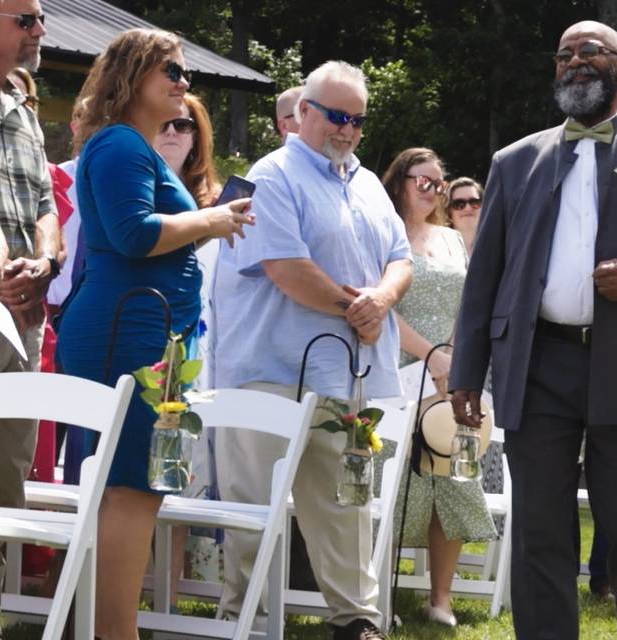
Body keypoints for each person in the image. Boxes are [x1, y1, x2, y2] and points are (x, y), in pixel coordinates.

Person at [449, 20, 617, 640]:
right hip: (536, 365)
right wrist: (467, 371)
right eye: (565, 54)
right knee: (540, 533)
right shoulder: (514, 162)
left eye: (591, 52)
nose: (576, 61)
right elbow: (484, 276)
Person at [55, 29, 253, 639]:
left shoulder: (128, 145)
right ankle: (117, 633)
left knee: (134, 486)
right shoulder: (118, 144)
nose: (183, 83)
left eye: (184, 72)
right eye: (170, 70)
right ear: (133, 75)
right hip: (126, 331)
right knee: (131, 486)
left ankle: (109, 628)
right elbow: (135, 234)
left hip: (140, 328)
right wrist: (213, 219)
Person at [213, 60, 411, 640]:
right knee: (253, 508)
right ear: (303, 113)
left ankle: (356, 622)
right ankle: (241, 619)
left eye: (358, 120)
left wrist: (383, 297)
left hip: (346, 375)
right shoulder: (269, 177)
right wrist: (361, 309)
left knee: (346, 505)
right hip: (271, 371)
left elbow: (402, 258)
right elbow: (286, 268)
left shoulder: (369, 182)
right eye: (336, 117)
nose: (347, 130)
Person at [381, 149, 497, 627]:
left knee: (451, 473)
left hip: (452, 370)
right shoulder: (383, 231)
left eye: (439, 184)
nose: (433, 191)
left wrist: (456, 361)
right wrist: (431, 355)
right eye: (423, 181)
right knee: (392, 478)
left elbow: (470, 301)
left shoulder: (452, 239)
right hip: (401, 363)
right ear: (400, 181)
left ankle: (440, 598)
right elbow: (385, 307)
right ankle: (380, 592)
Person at [0, 0, 61, 583]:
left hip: (25, 312)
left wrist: (46, 260)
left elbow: (43, 203)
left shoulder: (21, 107)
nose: (40, 30)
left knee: (9, 468)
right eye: (26, 19)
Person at [151, 91, 223, 610]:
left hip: (207, 350)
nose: (174, 132)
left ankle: (170, 598)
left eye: (185, 125)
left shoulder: (222, 205)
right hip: (143, 337)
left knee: (184, 473)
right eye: (167, 123)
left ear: (199, 138)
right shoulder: (132, 187)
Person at [444, 176, 483, 256]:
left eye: (474, 202)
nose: (468, 208)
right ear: (449, 211)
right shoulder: (438, 248)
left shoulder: (500, 246)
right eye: (459, 204)